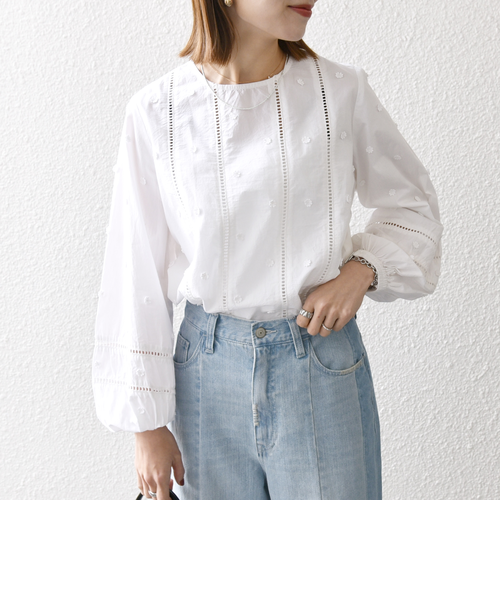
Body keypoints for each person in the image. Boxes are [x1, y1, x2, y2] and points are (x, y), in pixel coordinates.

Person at [92, 0, 443, 500]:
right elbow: (135, 267)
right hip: (205, 379)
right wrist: (146, 425)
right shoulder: (157, 111)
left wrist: (361, 269)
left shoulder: (340, 92)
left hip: (320, 364)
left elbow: (413, 206)